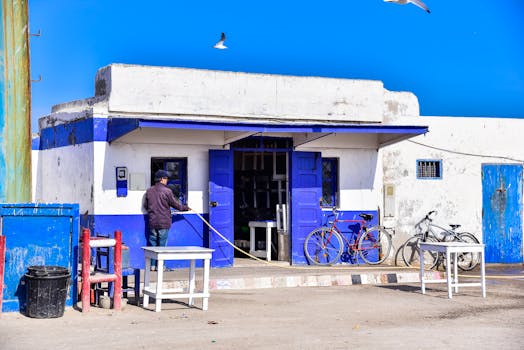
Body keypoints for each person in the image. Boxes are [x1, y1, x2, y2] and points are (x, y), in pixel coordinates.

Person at [144, 169, 189, 271]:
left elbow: (145, 206)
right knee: (162, 246)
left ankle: (152, 266)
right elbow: (175, 204)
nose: (167, 180)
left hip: (152, 221)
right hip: (164, 222)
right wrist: (185, 208)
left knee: (153, 245)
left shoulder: (149, 191)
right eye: (166, 178)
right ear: (162, 179)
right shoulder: (167, 191)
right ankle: (161, 267)